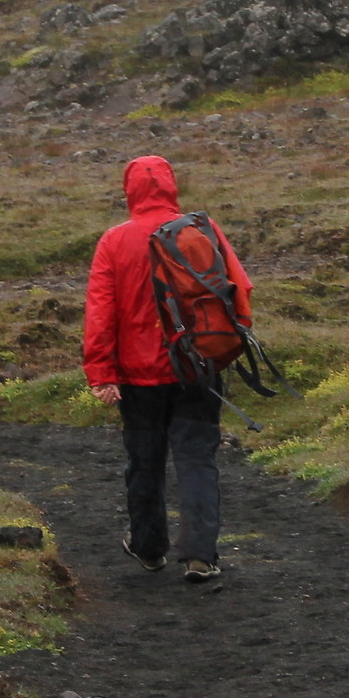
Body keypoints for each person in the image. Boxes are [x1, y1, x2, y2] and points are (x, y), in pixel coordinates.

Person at [83, 156, 251, 582]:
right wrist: (223, 352)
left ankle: (149, 547)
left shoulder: (114, 241)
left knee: (144, 459)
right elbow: (239, 290)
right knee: (197, 458)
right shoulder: (201, 230)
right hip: (196, 366)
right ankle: (201, 555)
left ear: (129, 191)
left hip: (138, 376)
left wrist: (101, 372)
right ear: (171, 187)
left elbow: (101, 312)